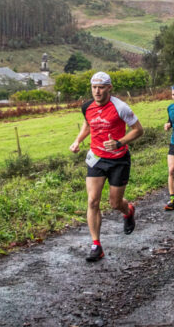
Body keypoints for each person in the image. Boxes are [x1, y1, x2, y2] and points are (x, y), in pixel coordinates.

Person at [69, 71, 144, 262]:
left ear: (109, 88)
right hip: (97, 158)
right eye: (94, 87)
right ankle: (96, 245)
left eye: (101, 87)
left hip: (118, 159)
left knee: (114, 203)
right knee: (93, 201)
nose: (97, 91)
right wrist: (77, 141)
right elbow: (88, 125)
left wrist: (120, 142)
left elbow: (138, 130)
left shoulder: (121, 107)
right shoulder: (87, 106)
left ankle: (128, 211)